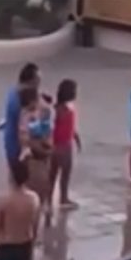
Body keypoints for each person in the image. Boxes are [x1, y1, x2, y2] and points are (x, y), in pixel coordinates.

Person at [18, 87, 52, 218]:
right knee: (37, 188)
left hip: (38, 155)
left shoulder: (37, 114)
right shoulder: (26, 117)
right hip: (33, 157)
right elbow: (26, 139)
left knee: (41, 187)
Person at [50, 79, 82, 210]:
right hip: (62, 145)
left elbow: (71, 127)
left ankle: (49, 197)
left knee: (53, 173)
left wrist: (76, 137)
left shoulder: (59, 108)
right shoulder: (63, 109)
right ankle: (63, 197)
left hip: (60, 143)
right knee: (64, 172)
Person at [2, 63, 41, 165]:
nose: (39, 83)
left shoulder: (13, 91)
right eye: (37, 80)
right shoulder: (23, 98)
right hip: (17, 144)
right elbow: (26, 125)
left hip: (10, 140)